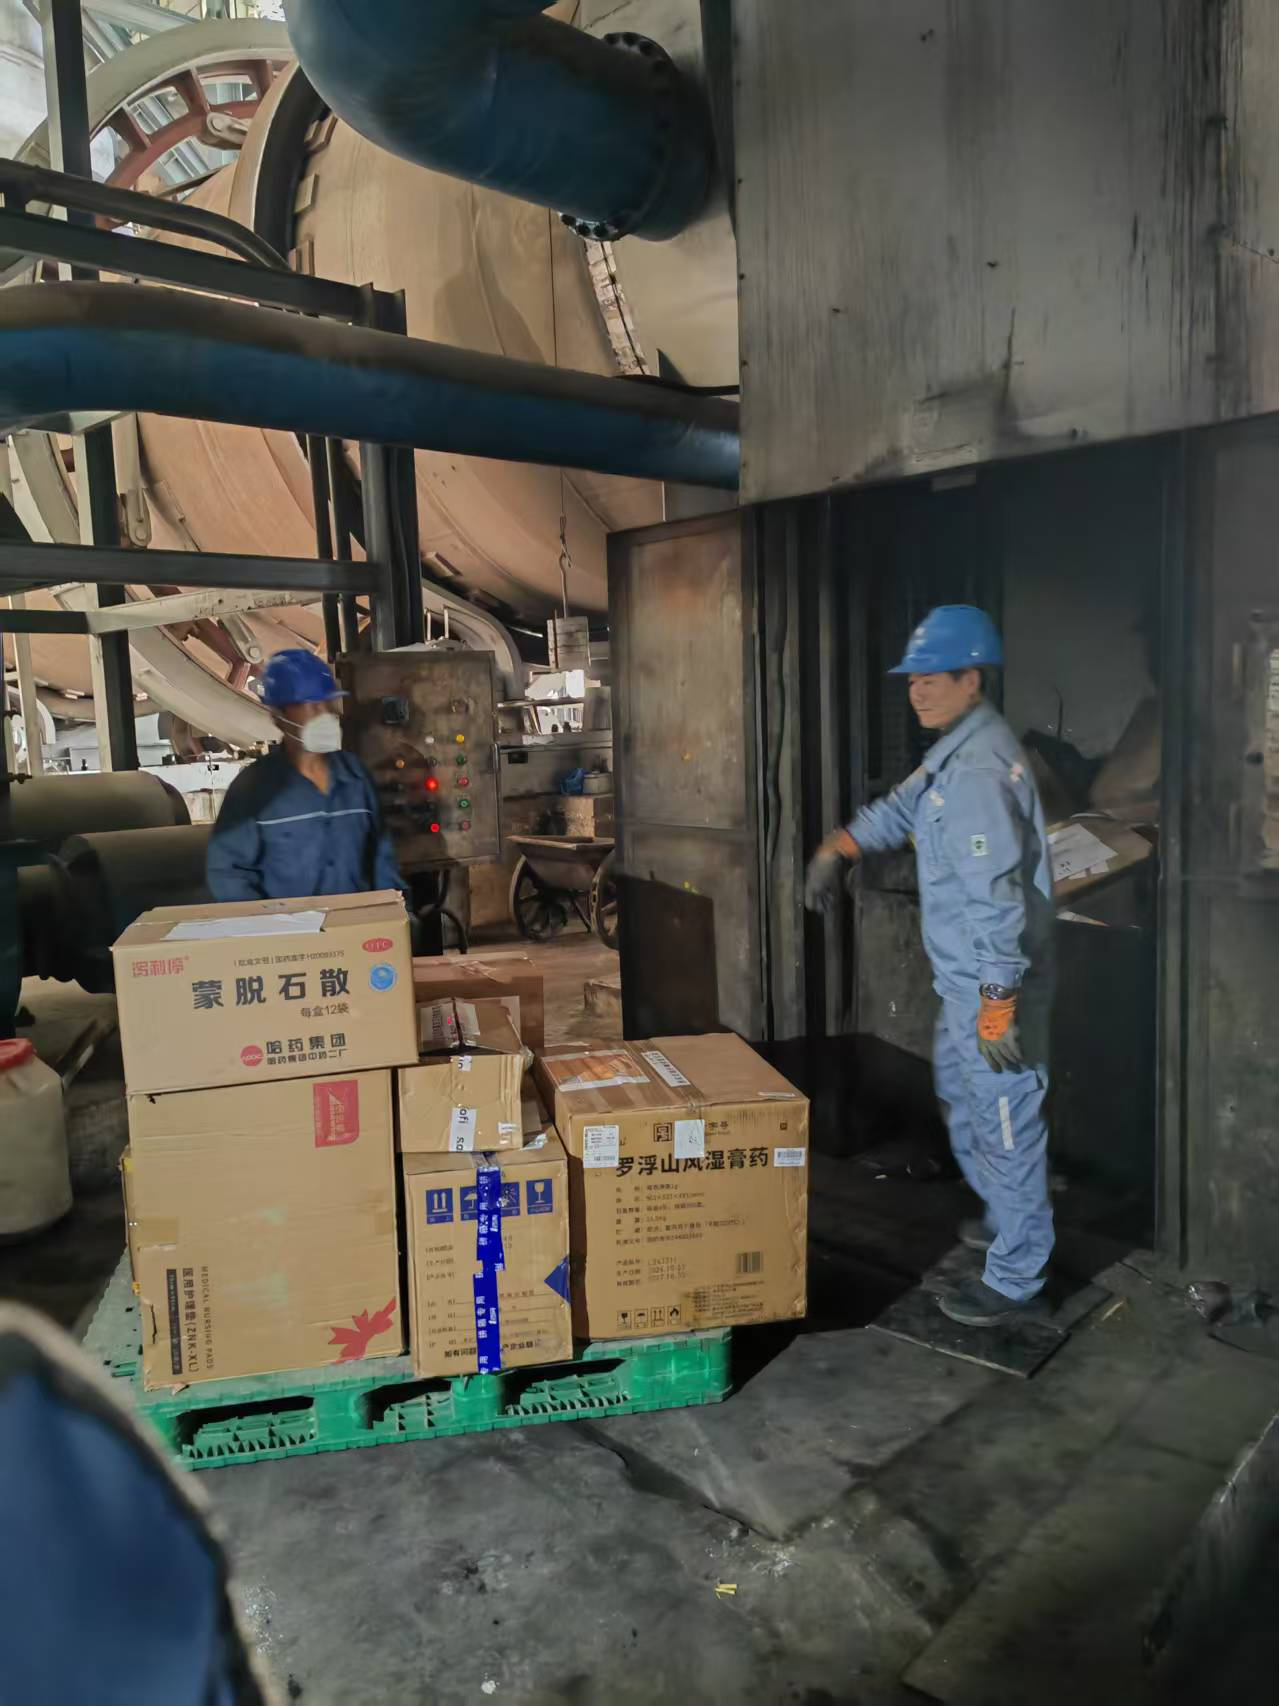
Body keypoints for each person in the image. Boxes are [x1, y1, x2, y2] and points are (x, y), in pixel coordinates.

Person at [804, 606, 1055, 1326]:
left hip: (996, 984)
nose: (916, 691)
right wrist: (841, 846)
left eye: (931, 678)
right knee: (962, 1098)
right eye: (911, 680)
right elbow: (902, 808)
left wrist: (997, 1005)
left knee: (1005, 1121)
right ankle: (1004, 1219)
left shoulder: (978, 772)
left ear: (971, 679)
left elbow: (997, 901)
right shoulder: (951, 757)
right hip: (966, 984)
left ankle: (1016, 1275)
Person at [207, 648, 407, 903]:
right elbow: (228, 873)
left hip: (358, 922)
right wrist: (270, 923)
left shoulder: (355, 776)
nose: (324, 715)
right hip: (288, 927)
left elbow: (381, 856)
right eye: (311, 706)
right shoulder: (254, 789)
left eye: (328, 704)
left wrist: (393, 909)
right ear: (279, 716)